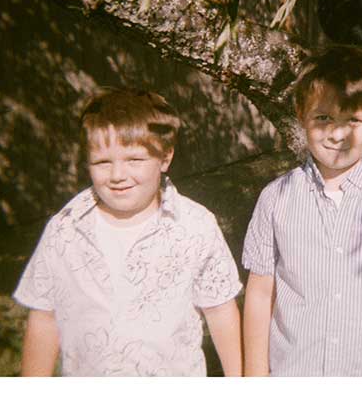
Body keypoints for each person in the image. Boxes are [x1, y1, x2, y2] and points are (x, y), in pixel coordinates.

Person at [13, 87, 243, 377]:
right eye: (102, 162)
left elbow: (220, 310)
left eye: (134, 160)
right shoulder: (64, 230)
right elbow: (44, 317)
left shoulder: (195, 226)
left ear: (165, 157)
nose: (118, 175)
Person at [242, 46, 362, 376]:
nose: (337, 134)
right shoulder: (275, 198)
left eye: (354, 120)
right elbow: (261, 293)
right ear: (301, 113)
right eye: (323, 118)